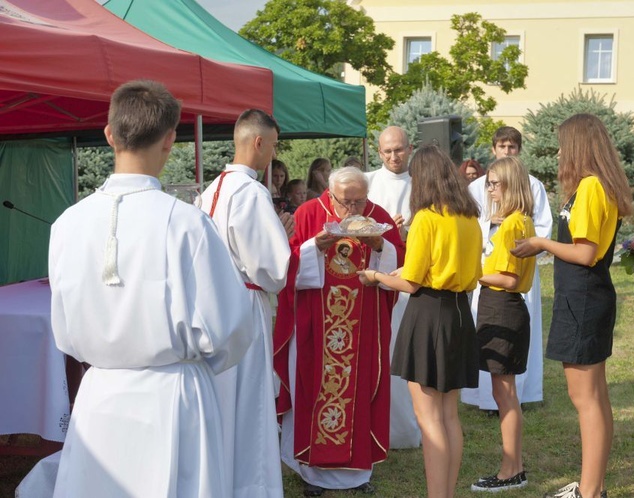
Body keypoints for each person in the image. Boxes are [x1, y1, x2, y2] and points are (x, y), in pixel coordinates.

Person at [48, 80, 254, 497]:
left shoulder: (67, 223)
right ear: (170, 139)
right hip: (172, 395)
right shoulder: (187, 223)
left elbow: (65, 328)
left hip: (101, 394)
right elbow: (231, 326)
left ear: (109, 134)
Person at [513, 113, 633, 498]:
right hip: (584, 296)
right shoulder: (593, 187)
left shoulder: (592, 188)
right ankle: (592, 487)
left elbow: (585, 253)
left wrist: (540, 243)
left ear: (580, 147)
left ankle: (590, 490)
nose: (561, 151)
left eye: (565, 144)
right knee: (595, 398)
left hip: (583, 297)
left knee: (587, 400)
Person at [359, 144, 483, 498]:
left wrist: (375, 276)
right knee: (448, 415)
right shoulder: (469, 217)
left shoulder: (427, 218)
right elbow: (469, 272)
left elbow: (410, 283)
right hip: (460, 312)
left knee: (429, 419)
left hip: (428, 314)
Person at [274, 166, 405, 496]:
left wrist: (380, 247)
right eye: (346, 202)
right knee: (312, 387)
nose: (354, 210)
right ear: (330, 195)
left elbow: (399, 265)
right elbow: (284, 264)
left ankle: (359, 472)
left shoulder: (378, 217)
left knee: (360, 391)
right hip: (316, 326)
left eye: (360, 201)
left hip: (364, 326)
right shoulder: (308, 213)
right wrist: (314, 248)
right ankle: (312, 473)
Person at [200, 109, 293, 498]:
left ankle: (219, 480)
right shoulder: (251, 193)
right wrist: (283, 239)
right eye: (272, 145)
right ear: (258, 142)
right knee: (251, 401)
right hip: (246, 304)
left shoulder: (211, 189)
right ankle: (250, 486)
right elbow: (271, 270)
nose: (272, 154)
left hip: (213, 304)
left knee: (221, 400)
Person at [462, 126, 552, 412]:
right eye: (502, 147)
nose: (507, 151)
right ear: (494, 149)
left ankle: (518, 395)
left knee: (506, 339)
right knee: (485, 330)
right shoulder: (477, 187)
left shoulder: (531, 187)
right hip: (487, 262)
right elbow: (471, 223)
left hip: (509, 271)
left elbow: (543, 227)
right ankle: (485, 398)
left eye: (512, 147)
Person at [469, 156, 536, 492]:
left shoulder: (513, 224)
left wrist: (470, 272)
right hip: (500, 305)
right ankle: (514, 467)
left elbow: (508, 279)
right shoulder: (511, 220)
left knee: (505, 393)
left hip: (503, 305)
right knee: (503, 392)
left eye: (496, 183)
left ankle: (511, 470)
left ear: (512, 184)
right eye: (489, 183)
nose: (490, 189)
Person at [365, 125, 420, 449]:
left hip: (409, 279)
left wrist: (405, 234)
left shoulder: (419, 184)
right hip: (374, 280)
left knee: (403, 351)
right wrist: (382, 231)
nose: (393, 156)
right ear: (379, 152)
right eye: (387, 151)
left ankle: (405, 427)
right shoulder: (369, 182)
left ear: (409, 148)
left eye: (398, 150)